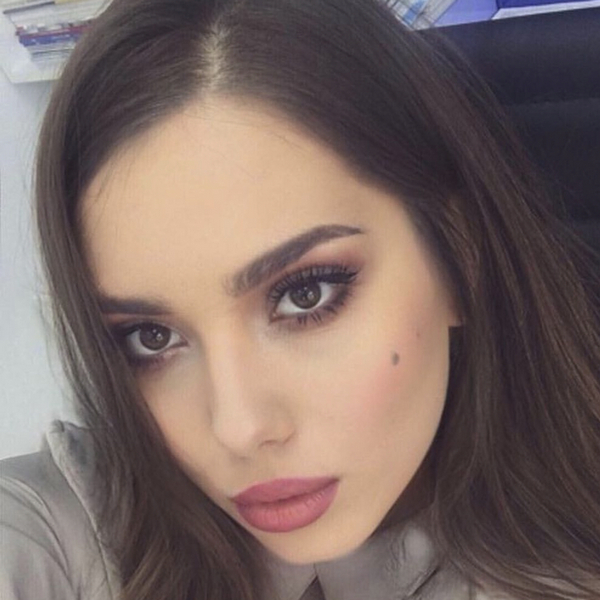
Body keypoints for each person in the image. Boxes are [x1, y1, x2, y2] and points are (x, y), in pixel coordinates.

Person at [1, 0, 599, 598]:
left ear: (459, 255)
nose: (238, 428)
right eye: (151, 337)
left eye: (305, 295)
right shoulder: (72, 532)